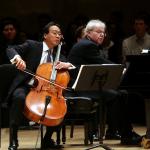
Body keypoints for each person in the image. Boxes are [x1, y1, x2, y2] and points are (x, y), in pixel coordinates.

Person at [68, 19, 142, 146]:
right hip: (81, 87)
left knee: (121, 93)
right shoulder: (88, 45)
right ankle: (125, 134)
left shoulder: (88, 44)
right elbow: (101, 62)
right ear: (88, 33)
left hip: (87, 85)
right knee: (117, 95)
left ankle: (121, 132)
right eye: (98, 32)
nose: (102, 35)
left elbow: (100, 62)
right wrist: (121, 68)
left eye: (103, 32)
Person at [5, 21, 74, 150]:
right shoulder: (32, 45)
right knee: (18, 97)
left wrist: (67, 65)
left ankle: (47, 140)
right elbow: (10, 49)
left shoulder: (58, 56)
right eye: (54, 33)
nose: (58, 36)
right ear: (45, 35)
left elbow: (72, 66)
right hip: (27, 85)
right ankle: (13, 139)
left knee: (61, 106)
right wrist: (18, 59)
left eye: (59, 34)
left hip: (48, 90)